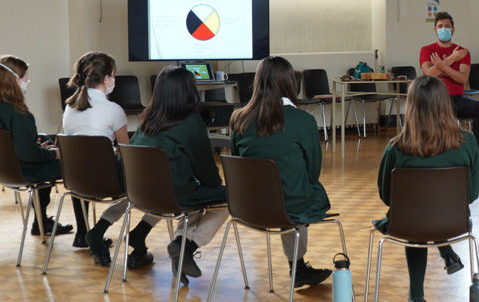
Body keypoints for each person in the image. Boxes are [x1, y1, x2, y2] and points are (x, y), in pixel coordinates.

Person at [376, 75, 479, 302]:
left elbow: (386, 196)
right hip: (453, 222)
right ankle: (447, 252)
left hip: (408, 223)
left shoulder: (395, 147)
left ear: (410, 107)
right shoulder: (468, 143)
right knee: (431, 212)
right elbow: (472, 194)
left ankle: (415, 299)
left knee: (416, 220)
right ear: (445, 104)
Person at [230, 56, 333, 287]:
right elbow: (313, 172)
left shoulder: (239, 120)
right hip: (290, 207)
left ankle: (298, 267)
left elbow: (238, 162)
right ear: (290, 83)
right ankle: (297, 267)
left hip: (248, 208)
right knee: (300, 191)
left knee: (286, 191)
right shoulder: (303, 120)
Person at [130, 66, 228, 282]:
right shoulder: (192, 122)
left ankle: (179, 254)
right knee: (227, 201)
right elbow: (206, 171)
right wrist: (216, 186)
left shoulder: (146, 120)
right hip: (176, 196)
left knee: (192, 198)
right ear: (189, 91)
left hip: (141, 194)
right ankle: (186, 247)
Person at [63, 52, 149, 267]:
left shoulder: (69, 107)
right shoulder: (113, 110)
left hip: (75, 181)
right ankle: (125, 236)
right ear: (107, 79)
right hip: (107, 183)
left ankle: (88, 233)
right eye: (113, 76)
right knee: (145, 184)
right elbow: (127, 152)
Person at [0, 56, 73, 236]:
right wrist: (54, 155)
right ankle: (84, 233)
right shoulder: (19, 113)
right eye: (26, 77)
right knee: (74, 164)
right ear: (15, 79)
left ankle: (41, 222)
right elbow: (29, 155)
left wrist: (36, 147)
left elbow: (11, 143)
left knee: (44, 141)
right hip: (23, 170)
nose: (28, 81)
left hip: (2, 169)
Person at [419, 11, 479, 169]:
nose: (443, 29)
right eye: (440, 26)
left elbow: (462, 78)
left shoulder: (462, 51)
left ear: (453, 29)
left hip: (456, 99)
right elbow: (429, 74)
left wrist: (441, 65)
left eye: (447, 26)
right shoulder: (426, 50)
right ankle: (434, 152)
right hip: (434, 99)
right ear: (435, 30)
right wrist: (450, 60)